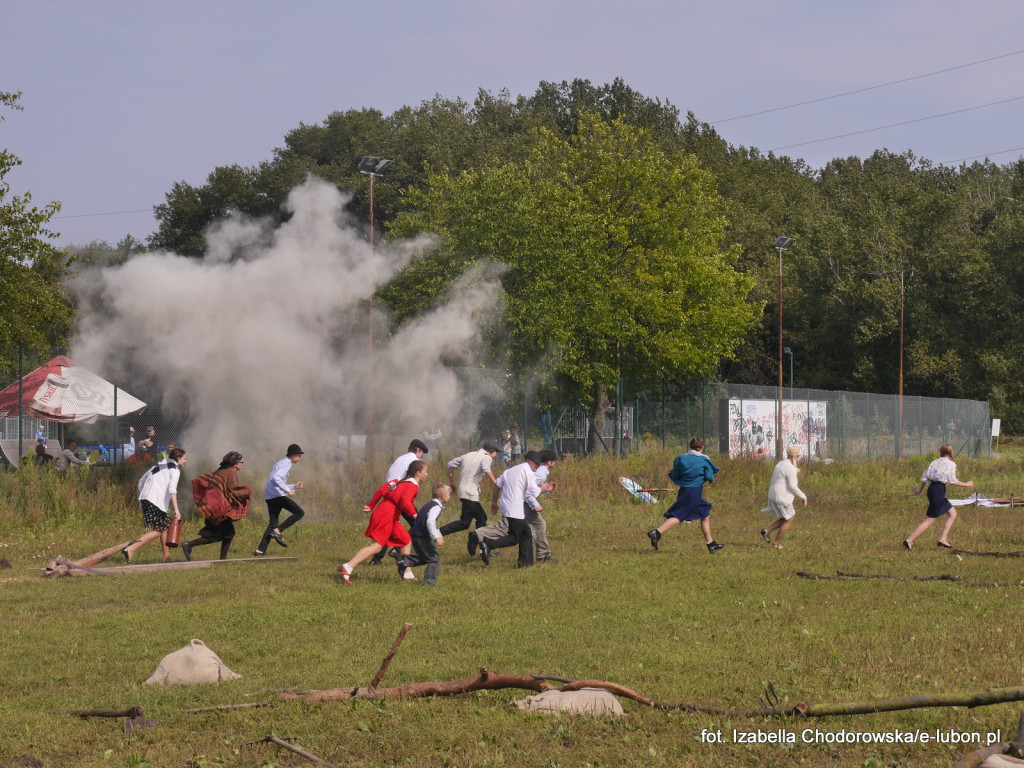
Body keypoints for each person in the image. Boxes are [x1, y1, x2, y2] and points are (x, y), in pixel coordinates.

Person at [338, 460, 427, 584]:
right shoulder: (413, 486)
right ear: (418, 473)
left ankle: (407, 572)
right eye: (425, 471)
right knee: (377, 547)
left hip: (387, 513)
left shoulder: (400, 480)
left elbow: (381, 490)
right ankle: (348, 566)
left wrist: (371, 505)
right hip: (387, 515)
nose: (426, 474)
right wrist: (415, 515)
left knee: (406, 539)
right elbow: (404, 501)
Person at [474, 449, 558, 563]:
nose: (537, 465)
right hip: (520, 505)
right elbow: (530, 492)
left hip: (515, 504)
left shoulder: (523, 469)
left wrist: (545, 489)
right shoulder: (538, 472)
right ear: (550, 462)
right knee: (513, 532)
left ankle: (527, 562)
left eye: (539, 463)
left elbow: (526, 487)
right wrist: (536, 504)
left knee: (524, 532)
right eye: (536, 463)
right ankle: (480, 538)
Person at [647, 437, 724, 554]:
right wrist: (711, 479)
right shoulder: (704, 460)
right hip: (695, 492)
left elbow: (676, 473)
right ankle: (657, 532)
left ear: (690, 447)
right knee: (680, 515)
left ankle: (711, 544)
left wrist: (671, 474)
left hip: (685, 490)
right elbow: (709, 476)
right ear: (702, 447)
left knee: (705, 514)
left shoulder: (681, 458)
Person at [182, 452, 252, 561]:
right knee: (224, 534)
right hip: (218, 509)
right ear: (234, 463)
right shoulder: (230, 472)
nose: (243, 464)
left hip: (213, 507)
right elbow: (232, 490)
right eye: (242, 462)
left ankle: (222, 559)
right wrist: (247, 490)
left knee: (224, 533)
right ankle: (189, 545)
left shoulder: (221, 471)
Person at [368, 438, 429, 565]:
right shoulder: (415, 462)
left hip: (390, 495)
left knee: (389, 527)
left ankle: (376, 559)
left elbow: (389, 479)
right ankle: (398, 550)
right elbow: (407, 480)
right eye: (422, 452)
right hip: (401, 497)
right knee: (418, 523)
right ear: (417, 450)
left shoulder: (399, 459)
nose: (422, 456)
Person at [121, 448, 187, 564]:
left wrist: (144, 498)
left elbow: (141, 481)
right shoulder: (175, 469)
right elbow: (172, 490)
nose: (185, 461)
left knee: (163, 528)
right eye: (184, 458)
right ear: (178, 457)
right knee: (160, 529)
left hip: (147, 498)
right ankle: (131, 548)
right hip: (154, 500)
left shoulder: (158, 465)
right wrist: (177, 510)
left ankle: (166, 558)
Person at [904, 444, 974, 550]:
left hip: (932, 490)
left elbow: (925, 477)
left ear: (940, 452)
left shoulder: (934, 462)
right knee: (930, 520)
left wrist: (920, 489)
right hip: (938, 491)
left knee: (953, 514)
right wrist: (967, 484)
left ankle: (943, 540)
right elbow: (952, 481)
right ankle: (909, 540)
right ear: (950, 453)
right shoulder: (951, 464)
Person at [440, 440, 500, 551]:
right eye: (496, 452)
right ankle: (439, 532)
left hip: (463, 492)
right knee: (473, 521)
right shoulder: (487, 457)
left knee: (473, 520)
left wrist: (452, 482)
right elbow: (486, 468)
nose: (496, 455)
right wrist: (496, 482)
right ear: (492, 451)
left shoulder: (468, 455)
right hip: (471, 494)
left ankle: (483, 547)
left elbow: (450, 464)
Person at [255, 444, 305, 556]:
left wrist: (293, 486)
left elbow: (276, 480)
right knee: (299, 512)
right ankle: (278, 531)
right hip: (277, 496)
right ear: (293, 455)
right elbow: (276, 478)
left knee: (272, 523)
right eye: (299, 456)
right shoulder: (286, 464)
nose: (300, 458)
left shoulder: (281, 462)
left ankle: (260, 551)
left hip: (270, 496)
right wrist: (288, 490)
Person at [399, 482, 453, 586]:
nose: (450, 497)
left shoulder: (428, 505)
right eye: (449, 495)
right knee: (434, 559)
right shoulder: (436, 507)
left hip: (415, 535)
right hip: (422, 536)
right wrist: (436, 537)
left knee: (426, 558)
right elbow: (430, 522)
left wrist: (437, 534)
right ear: (442, 496)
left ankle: (405, 561)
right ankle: (429, 583)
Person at [759, 445, 808, 549]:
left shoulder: (781, 464)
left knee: (787, 517)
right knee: (789, 518)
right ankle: (777, 543)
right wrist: (803, 497)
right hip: (781, 496)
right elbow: (792, 486)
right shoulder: (790, 468)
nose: (801, 458)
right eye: (800, 456)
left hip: (773, 494)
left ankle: (766, 531)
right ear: (797, 456)